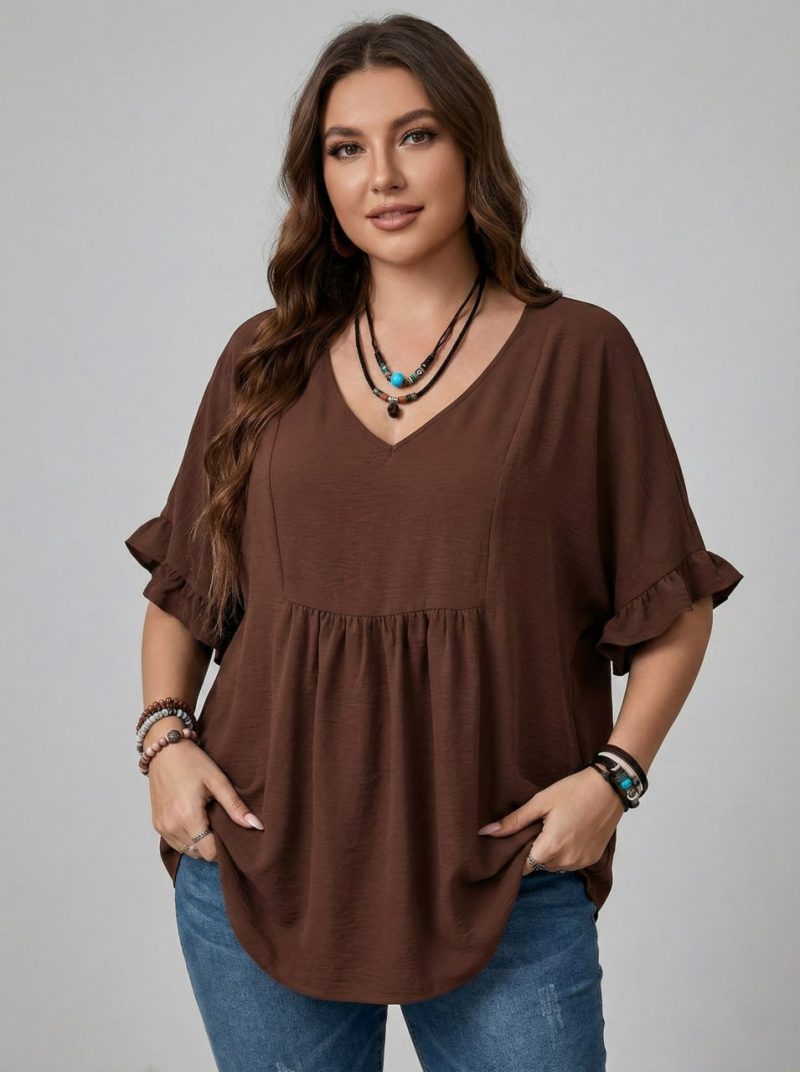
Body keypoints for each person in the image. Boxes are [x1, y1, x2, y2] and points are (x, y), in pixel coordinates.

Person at [124, 14, 743, 1072]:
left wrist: (614, 778)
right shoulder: (261, 361)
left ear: (470, 148)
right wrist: (165, 744)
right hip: (259, 865)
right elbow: (185, 592)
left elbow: (671, 602)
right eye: (346, 148)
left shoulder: (578, 354)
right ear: (319, 178)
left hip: (505, 872)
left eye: (414, 136)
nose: (381, 176)